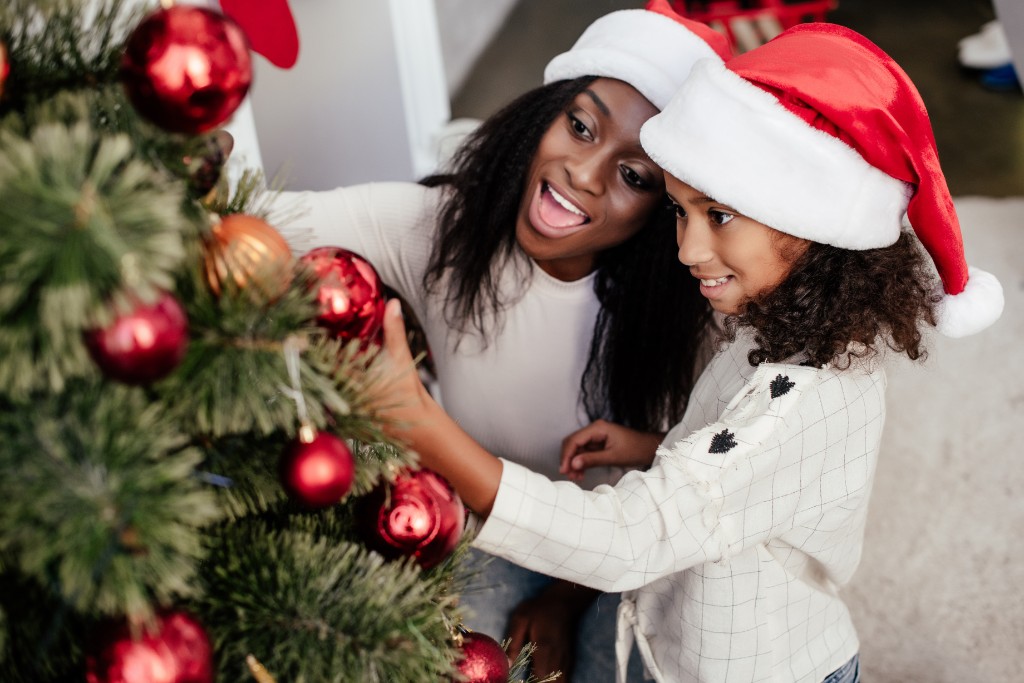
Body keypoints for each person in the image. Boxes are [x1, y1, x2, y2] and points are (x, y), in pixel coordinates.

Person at [368, 22, 1004, 683]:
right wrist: (654, 447)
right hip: (668, 635)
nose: (688, 250)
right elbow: (755, 469)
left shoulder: (800, 398)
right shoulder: (792, 317)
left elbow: (632, 537)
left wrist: (427, 431)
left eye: (719, 215)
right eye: (679, 210)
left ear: (813, 223)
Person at [270, 2, 732, 679]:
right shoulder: (440, 226)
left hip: (616, 549)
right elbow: (270, 223)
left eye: (634, 176)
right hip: (475, 517)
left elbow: (688, 493)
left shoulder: (689, 306)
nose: (584, 172)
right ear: (541, 114)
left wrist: (566, 600)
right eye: (579, 125)